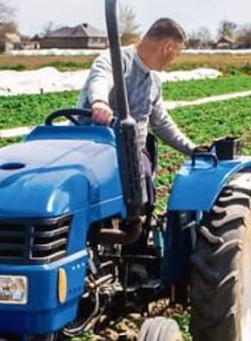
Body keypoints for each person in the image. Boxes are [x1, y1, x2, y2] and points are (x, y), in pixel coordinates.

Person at [76, 17, 207, 206]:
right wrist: (99, 101)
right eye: (177, 53)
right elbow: (101, 78)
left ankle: (139, 227)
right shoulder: (116, 59)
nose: (174, 60)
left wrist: (192, 149)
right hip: (93, 145)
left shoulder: (153, 81)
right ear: (167, 47)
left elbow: (161, 123)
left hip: (132, 151)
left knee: (142, 179)